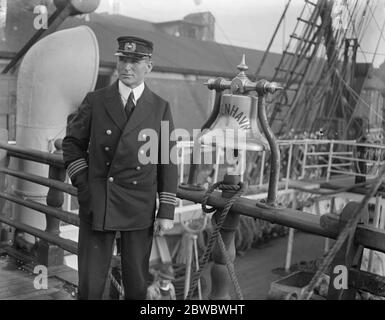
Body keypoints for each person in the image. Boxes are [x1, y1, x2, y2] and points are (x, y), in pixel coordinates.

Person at [62, 36, 178, 300]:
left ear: (149, 66)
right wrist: (84, 183)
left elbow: (167, 160)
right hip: (99, 199)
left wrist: (166, 210)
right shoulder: (96, 100)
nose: (127, 67)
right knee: (90, 282)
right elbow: (71, 144)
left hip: (140, 204)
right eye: (123, 60)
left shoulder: (160, 108)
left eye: (135, 61)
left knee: (136, 283)